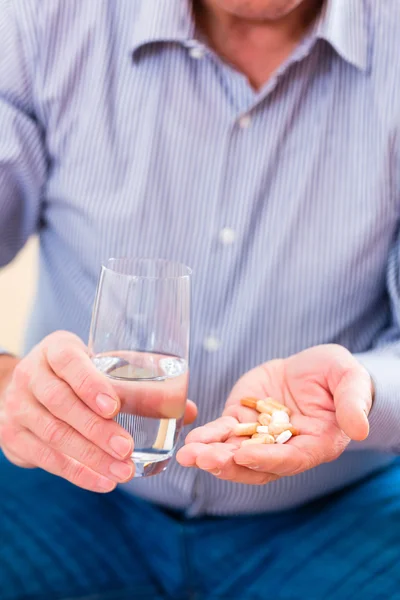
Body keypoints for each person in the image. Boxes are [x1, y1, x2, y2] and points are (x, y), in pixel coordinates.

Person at [0, 0, 399, 598]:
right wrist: (9, 387)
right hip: (61, 486)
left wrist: (362, 391)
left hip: (339, 508)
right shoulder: (46, 21)